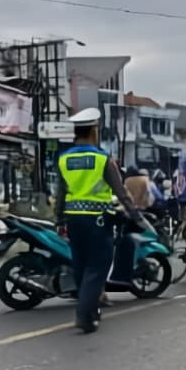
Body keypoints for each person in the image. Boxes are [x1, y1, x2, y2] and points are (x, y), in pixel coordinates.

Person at [56, 108, 150, 334]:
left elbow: (60, 192)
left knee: (80, 265)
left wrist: (59, 219)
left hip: (73, 221)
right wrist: (137, 218)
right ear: (93, 131)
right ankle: (83, 314)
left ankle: (89, 312)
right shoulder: (102, 159)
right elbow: (122, 193)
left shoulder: (63, 159)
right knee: (98, 267)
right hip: (98, 221)